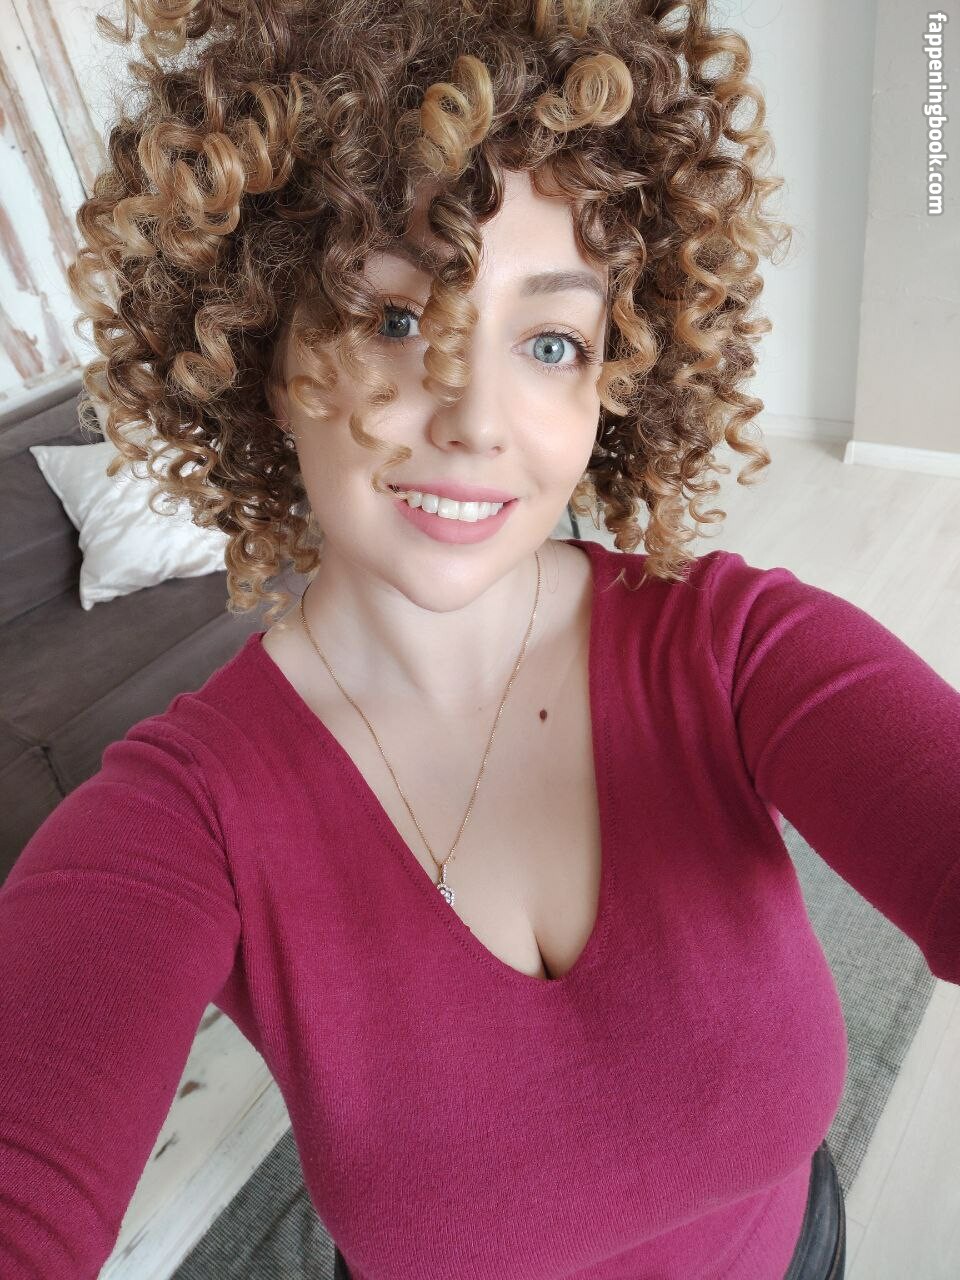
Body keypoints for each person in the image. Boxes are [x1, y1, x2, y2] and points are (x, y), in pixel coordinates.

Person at [1, 1, 957, 1277]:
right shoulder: (179, 819)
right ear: (265, 351)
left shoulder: (734, 648)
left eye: (552, 341)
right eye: (396, 318)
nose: (477, 418)